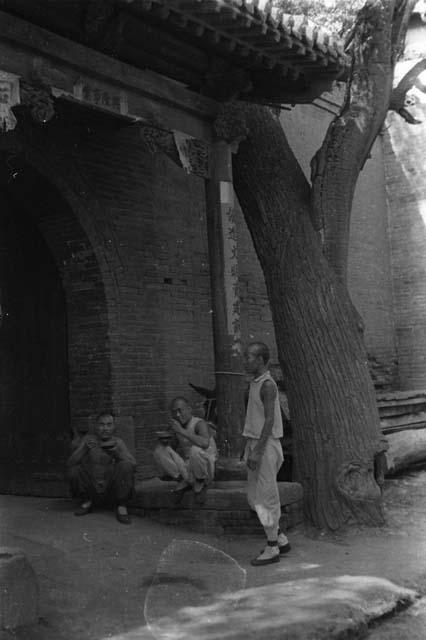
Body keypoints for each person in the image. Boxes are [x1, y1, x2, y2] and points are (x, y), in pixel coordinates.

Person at [243, 342, 291, 566]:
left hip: (266, 445)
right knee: (253, 497)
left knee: (265, 497)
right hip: (255, 443)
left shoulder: (268, 385)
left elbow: (270, 421)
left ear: (261, 360)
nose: (247, 361)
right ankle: (280, 537)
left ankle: (272, 548)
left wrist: (258, 451)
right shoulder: (254, 383)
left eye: (250, 357)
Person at [67, 412, 136, 524]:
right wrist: (84, 449)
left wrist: (117, 454)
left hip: (111, 490)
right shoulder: (88, 440)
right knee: (74, 471)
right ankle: (87, 501)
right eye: (102, 424)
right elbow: (70, 463)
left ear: (114, 427)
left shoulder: (118, 442)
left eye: (109, 425)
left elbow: (133, 465)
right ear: (96, 426)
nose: (105, 428)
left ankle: (121, 506)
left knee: (125, 465)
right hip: (92, 488)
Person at [153, 397, 217, 503]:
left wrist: (181, 431)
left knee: (195, 450)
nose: (177, 415)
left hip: (206, 468)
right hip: (189, 467)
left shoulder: (199, 423)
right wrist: (165, 439)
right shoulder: (178, 426)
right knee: (160, 450)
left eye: (180, 410)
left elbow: (205, 443)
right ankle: (184, 480)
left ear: (189, 409)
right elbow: (171, 449)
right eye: (174, 412)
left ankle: (199, 483)